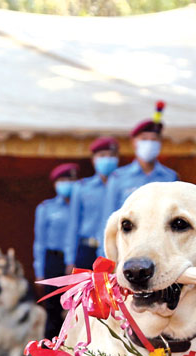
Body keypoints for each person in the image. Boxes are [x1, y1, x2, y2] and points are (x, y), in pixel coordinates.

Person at [97, 101, 177, 250]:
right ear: (134, 142)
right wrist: (105, 255)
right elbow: (107, 221)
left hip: (159, 249)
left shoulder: (170, 178)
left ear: (160, 143)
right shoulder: (118, 177)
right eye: (144, 139)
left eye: (154, 139)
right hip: (126, 248)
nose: (149, 144)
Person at [33, 163, 79, 339]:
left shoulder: (80, 207)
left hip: (77, 260)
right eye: (62, 180)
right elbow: (40, 242)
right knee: (52, 309)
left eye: (71, 180)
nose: (67, 183)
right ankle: (49, 353)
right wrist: (39, 271)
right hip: (53, 260)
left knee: (76, 310)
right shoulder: (46, 208)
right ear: (55, 184)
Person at [71, 136, 119, 270]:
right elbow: (73, 224)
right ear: (93, 160)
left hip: (117, 248)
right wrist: (70, 258)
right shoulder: (82, 187)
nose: (107, 159)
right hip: (87, 249)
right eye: (102, 155)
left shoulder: (123, 186)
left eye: (111, 155)